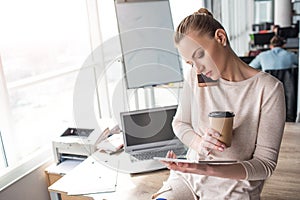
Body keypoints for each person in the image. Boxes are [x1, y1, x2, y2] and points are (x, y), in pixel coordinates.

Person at [153, 8, 286, 200]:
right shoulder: (197, 76)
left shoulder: (268, 89)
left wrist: (209, 169)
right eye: (190, 62)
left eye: (200, 55)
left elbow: (265, 165)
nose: (197, 67)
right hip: (190, 177)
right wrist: (199, 144)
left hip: (234, 187)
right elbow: (180, 124)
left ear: (221, 37)